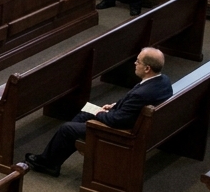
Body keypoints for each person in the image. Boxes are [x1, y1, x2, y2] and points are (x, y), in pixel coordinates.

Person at [24, 47, 172, 177]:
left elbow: (117, 120)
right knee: (84, 114)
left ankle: (48, 163)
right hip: (134, 120)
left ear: (147, 68)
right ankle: (55, 158)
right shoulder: (162, 80)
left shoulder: (142, 93)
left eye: (138, 61)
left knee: (67, 129)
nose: (135, 63)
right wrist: (115, 105)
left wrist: (101, 113)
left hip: (125, 132)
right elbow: (134, 105)